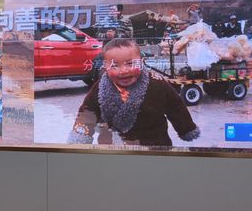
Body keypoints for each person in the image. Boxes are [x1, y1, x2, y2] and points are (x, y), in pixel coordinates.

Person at [67, 39, 199, 146]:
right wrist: (80, 137)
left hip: (153, 146)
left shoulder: (157, 84)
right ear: (105, 67)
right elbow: (87, 113)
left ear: (141, 62)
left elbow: (175, 107)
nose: (124, 70)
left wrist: (186, 128)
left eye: (130, 63)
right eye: (114, 65)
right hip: (111, 148)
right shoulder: (100, 87)